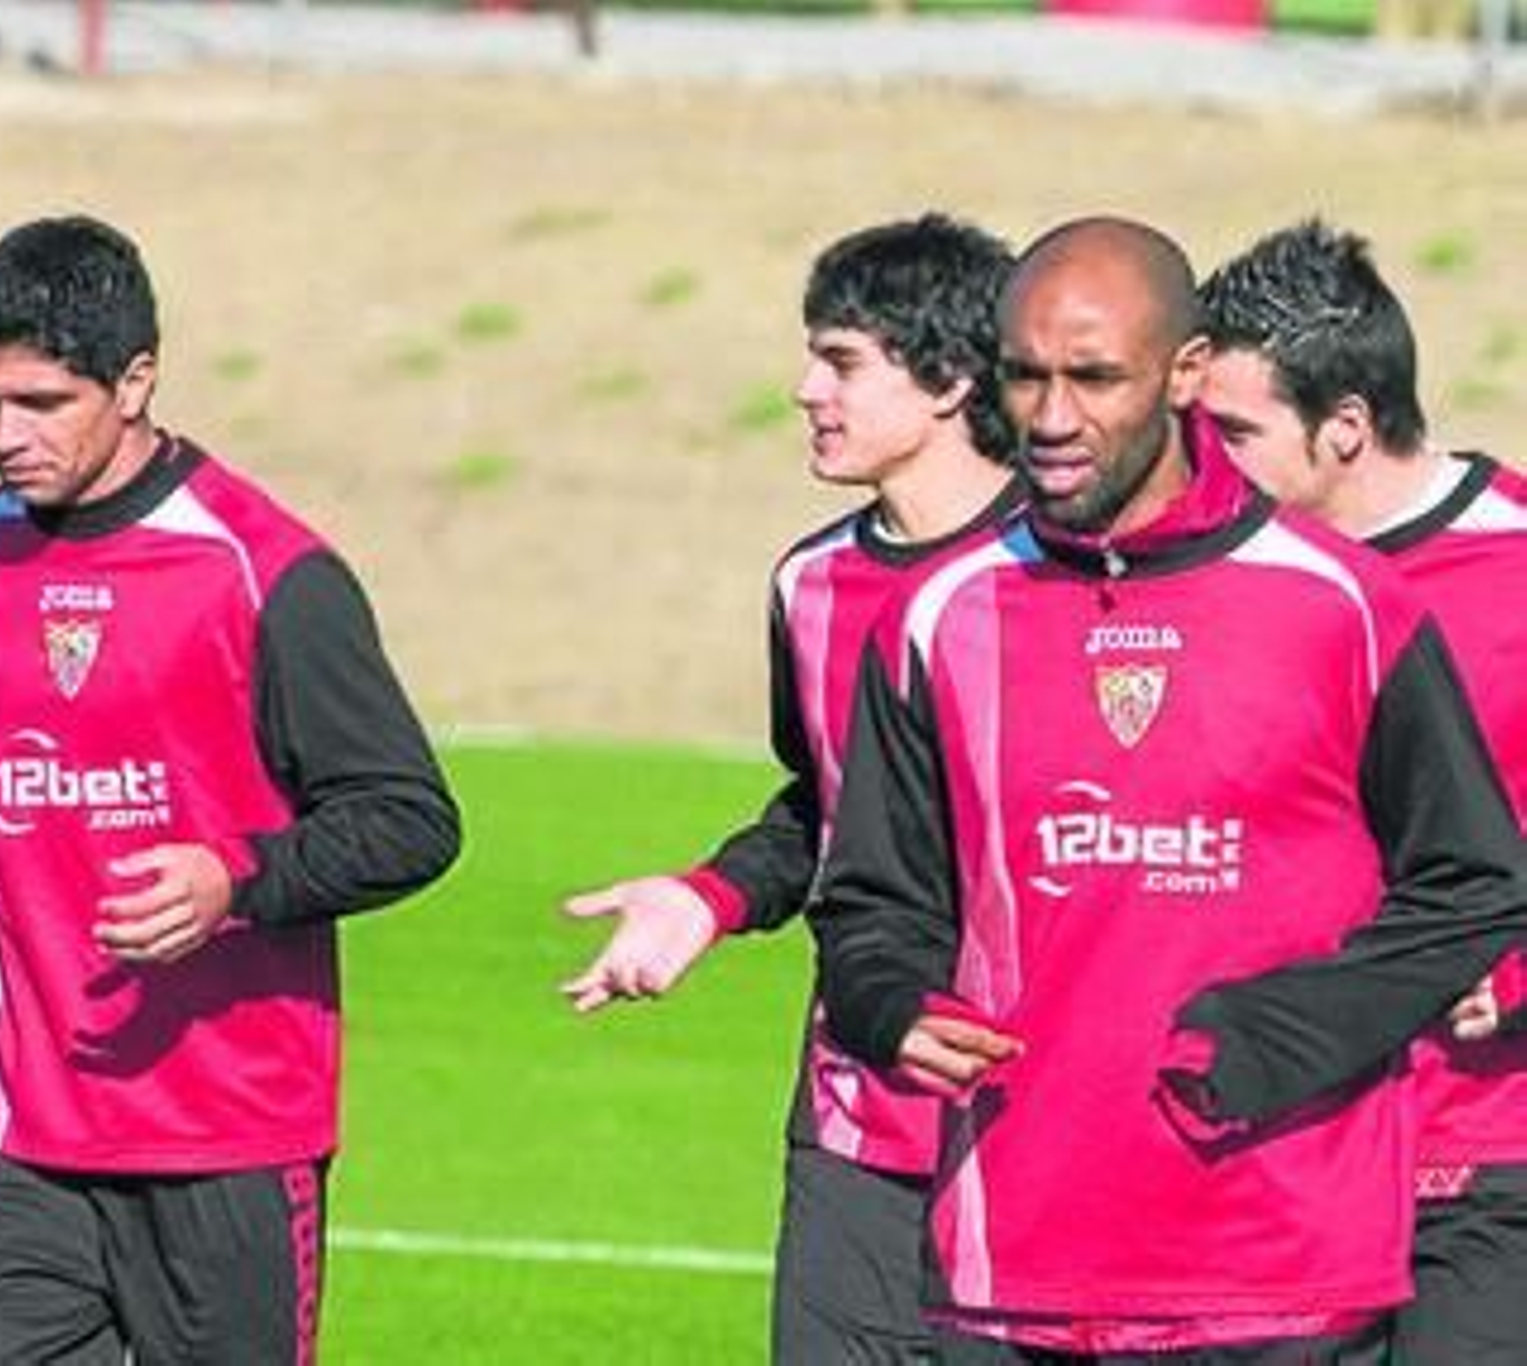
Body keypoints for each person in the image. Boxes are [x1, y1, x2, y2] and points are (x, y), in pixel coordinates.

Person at [810, 215, 1527, 1363]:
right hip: (1010, 1267)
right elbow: (868, 900)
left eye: (1092, 378)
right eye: (1024, 375)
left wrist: (1273, 1033)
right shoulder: (938, 615)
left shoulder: (1344, 605)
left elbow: (1473, 884)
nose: (1049, 417)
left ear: (1184, 373)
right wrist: (890, 999)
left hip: (1279, 1272)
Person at [0, 215, 461, 1365]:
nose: (3, 435)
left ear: (136, 379)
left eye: (41, 404)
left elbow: (409, 817)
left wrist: (239, 877)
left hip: (222, 1144)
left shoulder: (266, 571)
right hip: (11, 1141)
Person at [561, 213, 1025, 1362]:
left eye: (841, 360)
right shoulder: (809, 581)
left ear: (951, 378)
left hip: (1028, 1133)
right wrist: (707, 898)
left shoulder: (1061, 577)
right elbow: (826, 807)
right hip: (853, 1129)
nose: (802, 387)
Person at [1199, 217, 1527, 1365]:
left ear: (1344, 426)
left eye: (1231, 432)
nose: (1201, 462)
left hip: (1483, 1153)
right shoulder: (1220, 582)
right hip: (1270, 1154)